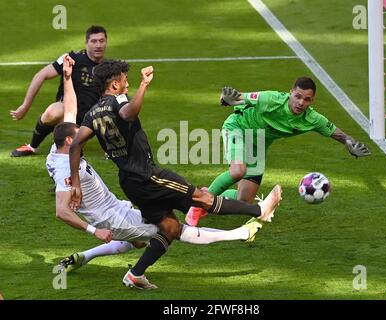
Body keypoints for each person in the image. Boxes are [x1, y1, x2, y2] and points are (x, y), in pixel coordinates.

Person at [51, 56, 267, 288]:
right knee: (196, 204)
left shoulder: (92, 114)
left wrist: (75, 182)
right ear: (114, 85)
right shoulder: (117, 102)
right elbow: (128, 114)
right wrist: (144, 85)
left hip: (128, 181)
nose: (128, 83)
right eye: (125, 80)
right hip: (147, 175)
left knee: (168, 228)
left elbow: (75, 145)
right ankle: (257, 212)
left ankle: (133, 274)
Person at [185, 77, 371, 226]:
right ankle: (198, 206)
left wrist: (349, 142)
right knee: (237, 171)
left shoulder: (312, 119)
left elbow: (335, 132)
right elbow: (236, 97)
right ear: (291, 93)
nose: (301, 102)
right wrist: (226, 99)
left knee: (244, 201)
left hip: (259, 143)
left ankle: (207, 193)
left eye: (306, 99)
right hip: (239, 128)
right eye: (297, 96)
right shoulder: (271, 99)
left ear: (311, 101)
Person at [10, 25, 108, 157]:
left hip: (88, 120)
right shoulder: (71, 58)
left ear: (106, 42)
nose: (98, 45)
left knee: (72, 150)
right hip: (66, 112)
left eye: (101, 41)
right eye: (94, 41)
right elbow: (41, 75)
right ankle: (31, 146)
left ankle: (92, 144)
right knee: (53, 111)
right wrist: (25, 106)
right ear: (86, 43)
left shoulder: (108, 68)